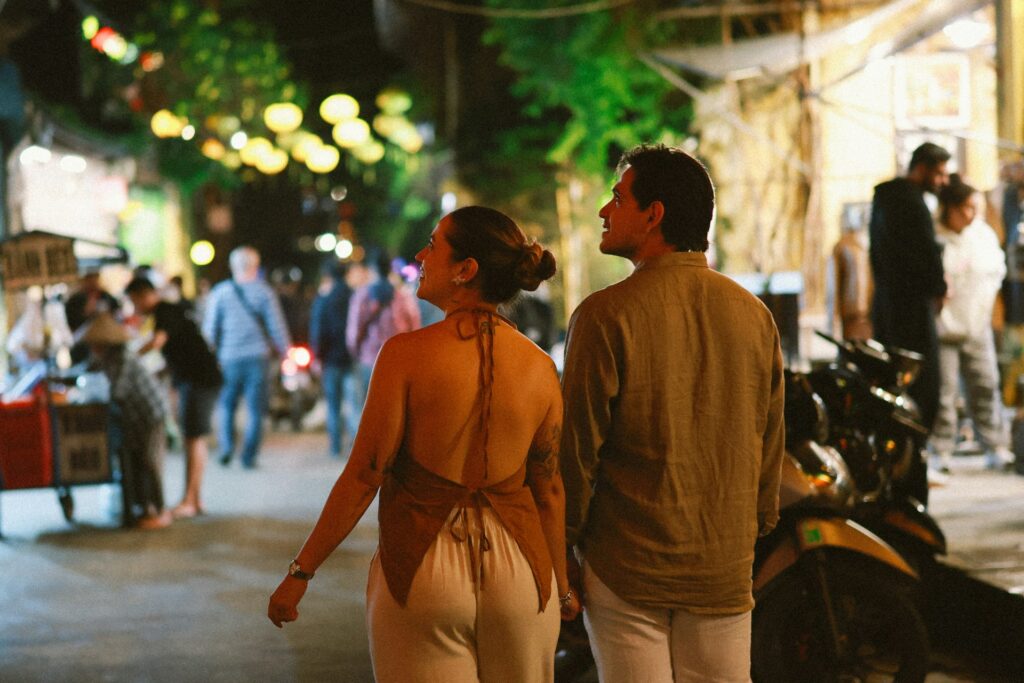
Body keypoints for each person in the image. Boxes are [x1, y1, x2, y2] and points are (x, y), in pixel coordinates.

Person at [268, 206, 580, 682]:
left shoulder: (405, 356)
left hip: (425, 565)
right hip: (521, 572)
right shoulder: (539, 367)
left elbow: (364, 474)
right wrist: (560, 586)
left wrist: (300, 573)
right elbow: (548, 487)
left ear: (465, 269)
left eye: (433, 244)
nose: (420, 255)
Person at [560, 144, 785, 682]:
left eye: (618, 198)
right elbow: (769, 440)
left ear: (654, 214)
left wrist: (562, 545)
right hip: (722, 566)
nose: (604, 211)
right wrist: (749, 530)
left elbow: (576, 449)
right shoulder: (754, 315)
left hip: (626, 565)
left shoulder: (605, 314)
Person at [932, 176, 1014, 472]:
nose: (971, 214)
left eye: (973, 207)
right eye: (965, 208)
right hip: (944, 327)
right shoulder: (935, 236)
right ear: (949, 208)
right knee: (945, 391)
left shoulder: (983, 235)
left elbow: (996, 271)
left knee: (985, 384)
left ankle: (995, 444)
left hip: (977, 322)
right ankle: (940, 449)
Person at [125, 277, 224, 518]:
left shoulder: (165, 310)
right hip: (196, 379)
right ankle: (194, 499)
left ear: (143, 295)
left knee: (193, 438)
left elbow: (157, 342)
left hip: (199, 380)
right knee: (193, 437)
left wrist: (129, 356)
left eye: (133, 301)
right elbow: (179, 351)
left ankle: (190, 500)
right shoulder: (170, 311)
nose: (133, 308)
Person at [202, 246, 290, 469]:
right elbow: (276, 326)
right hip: (257, 358)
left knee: (227, 405)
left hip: (228, 358)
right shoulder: (264, 292)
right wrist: (285, 350)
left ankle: (227, 447)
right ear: (255, 266)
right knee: (255, 409)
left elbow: (210, 330)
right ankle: (248, 456)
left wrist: (210, 355)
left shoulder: (220, 292)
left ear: (233, 266)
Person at [82, 313, 171, 530]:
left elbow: (118, 392)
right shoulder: (106, 359)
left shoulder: (124, 359)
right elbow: (91, 374)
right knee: (136, 461)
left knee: (150, 461)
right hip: (132, 418)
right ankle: (143, 508)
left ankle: (160, 510)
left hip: (150, 415)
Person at [345, 252, 421, 420]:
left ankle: (372, 444)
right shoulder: (402, 295)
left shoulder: (363, 296)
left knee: (369, 408)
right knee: (395, 409)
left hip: (369, 359)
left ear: (372, 269)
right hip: (398, 360)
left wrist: (356, 351)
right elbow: (414, 326)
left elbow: (354, 330)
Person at [308, 261, 354, 458]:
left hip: (330, 359)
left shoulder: (324, 299)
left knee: (333, 404)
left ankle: (335, 446)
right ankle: (357, 445)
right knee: (355, 403)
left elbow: (318, 330)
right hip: (351, 357)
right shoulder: (354, 296)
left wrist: (317, 356)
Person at [65, 270, 120, 365]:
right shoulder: (76, 300)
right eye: (90, 279)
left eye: (95, 279)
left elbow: (117, 315)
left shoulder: (107, 297)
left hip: (106, 342)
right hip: (82, 344)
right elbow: (71, 322)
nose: (93, 283)